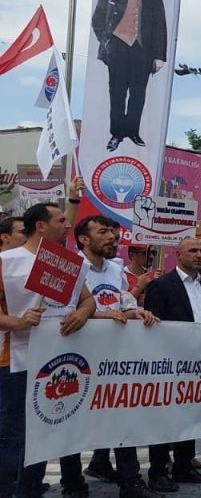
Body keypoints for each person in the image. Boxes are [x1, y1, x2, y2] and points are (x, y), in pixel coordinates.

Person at [3, 207, 115, 498]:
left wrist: (82, 313)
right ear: (41, 226)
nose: (67, 225)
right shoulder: (6, 262)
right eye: (61, 220)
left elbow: (87, 300)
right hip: (15, 362)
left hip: (57, 362)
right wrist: (17, 322)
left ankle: (29, 491)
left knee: (45, 435)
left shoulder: (65, 263)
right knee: (16, 437)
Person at [73, 215, 163, 498]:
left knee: (123, 414)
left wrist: (135, 311)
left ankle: (130, 480)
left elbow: (121, 300)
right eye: (103, 232)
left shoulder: (115, 269)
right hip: (82, 357)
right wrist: (100, 316)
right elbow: (64, 312)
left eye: (113, 232)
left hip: (115, 357)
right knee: (73, 421)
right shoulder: (72, 267)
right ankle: (72, 482)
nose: (112, 237)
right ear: (84, 239)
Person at [142, 237, 201, 488]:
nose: (199, 255)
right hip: (171, 361)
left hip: (199, 361)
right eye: (193, 250)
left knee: (191, 415)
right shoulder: (162, 285)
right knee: (165, 419)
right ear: (179, 254)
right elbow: (154, 327)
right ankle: (158, 471)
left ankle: (183, 466)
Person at [90, 0, 168, 151]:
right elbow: (97, 20)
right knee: (116, 92)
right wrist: (107, 41)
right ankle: (117, 134)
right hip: (117, 47)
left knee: (138, 93)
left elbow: (160, 28)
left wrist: (159, 56)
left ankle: (133, 131)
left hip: (143, 51)